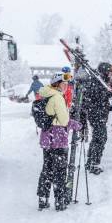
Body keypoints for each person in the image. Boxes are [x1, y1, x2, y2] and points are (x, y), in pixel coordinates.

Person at [37, 72, 80, 211]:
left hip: (47, 138)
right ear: (57, 84)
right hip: (58, 139)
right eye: (64, 84)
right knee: (60, 171)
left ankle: (42, 199)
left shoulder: (46, 94)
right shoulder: (57, 97)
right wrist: (76, 124)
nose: (66, 86)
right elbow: (64, 120)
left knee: (47, 169)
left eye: (67, 84)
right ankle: (59, 201)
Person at [81, 62, 112, 175]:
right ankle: (94, 163)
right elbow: (94, 98)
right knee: (101, 138)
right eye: (109, 72)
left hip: (99, 114)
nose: (111, 74)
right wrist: (106, 96)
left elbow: (102, 98)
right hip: (96, 115)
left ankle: (90, 161)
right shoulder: (96, 81)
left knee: (97, 138)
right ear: (104, 71)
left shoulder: (101, 81)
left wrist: (108, 105)